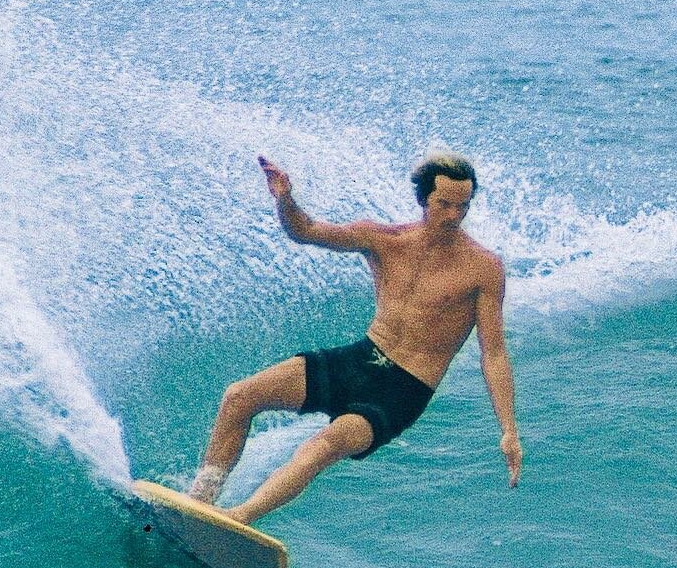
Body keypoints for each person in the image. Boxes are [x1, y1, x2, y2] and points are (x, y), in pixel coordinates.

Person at [187, 150, 522, 525]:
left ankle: (237, 519)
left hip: (402, 389)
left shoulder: (483, 268)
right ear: (423, 198)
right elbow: (306, 230)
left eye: (463, 206)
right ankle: (198, 505)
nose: (454, 215)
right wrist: (285, 199)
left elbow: (493, 354)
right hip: (362, 358)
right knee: (239, 397)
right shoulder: (383, 239)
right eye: (444, 204)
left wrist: (508, 429)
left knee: (321, 447)